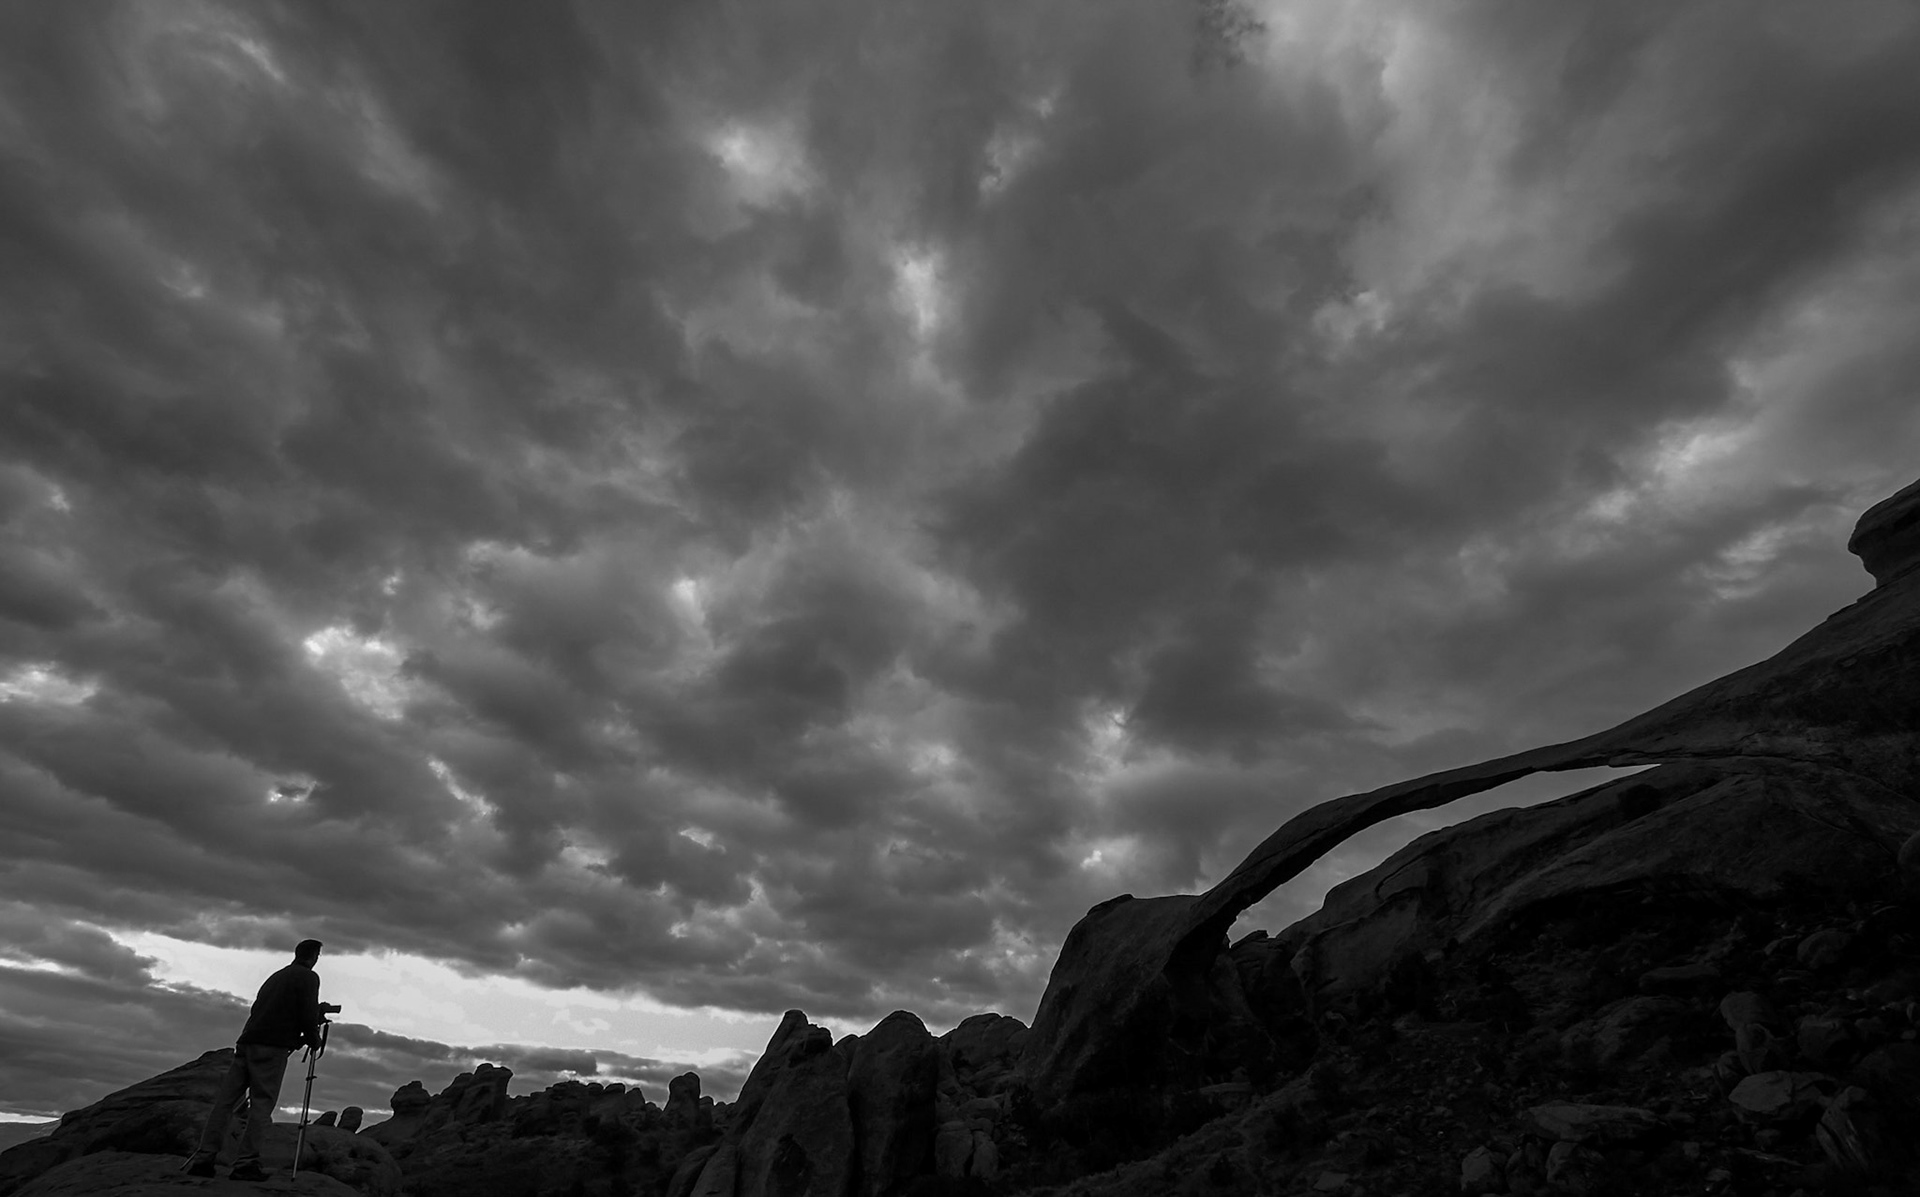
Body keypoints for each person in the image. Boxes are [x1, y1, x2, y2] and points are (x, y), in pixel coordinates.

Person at [183, 939, 327, 1181]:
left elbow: (261, 1009)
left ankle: (204, 1159)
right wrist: (313, 1037)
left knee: (225, 1103)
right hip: (271, 1048)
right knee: (261, 1104)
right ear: (314, 956)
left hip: (247, 1042)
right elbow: (306, 1012)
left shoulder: (276, 976)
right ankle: (246, 1164)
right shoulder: (308, 978)